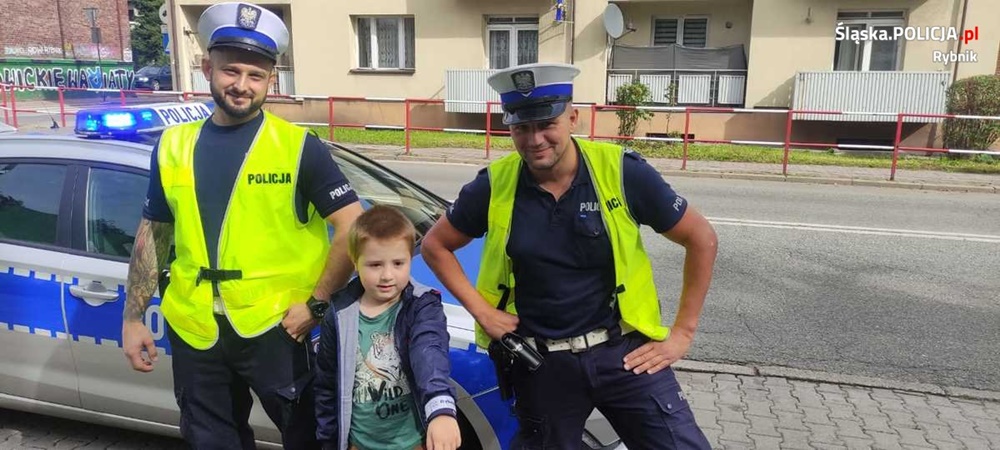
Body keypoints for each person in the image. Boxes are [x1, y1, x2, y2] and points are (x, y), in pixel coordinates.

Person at [419, 62, 719, 449]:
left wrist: (682, 333)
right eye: (521, 127)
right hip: (542, 365)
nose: (535, 139)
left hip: (625, 355)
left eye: (547, 124)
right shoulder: (493, 185)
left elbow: (701, 238)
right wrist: (483, 312)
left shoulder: (621, 172)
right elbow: (434, 245)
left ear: (573, 117)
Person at [120, 3, 364, 449]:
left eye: (256, 76)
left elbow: (354, 227)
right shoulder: (173, 146)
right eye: (231, 71)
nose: (242, 85)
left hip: (278, 331)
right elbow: (155, 231)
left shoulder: (298, 149)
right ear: (206, 67)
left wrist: (317, 305)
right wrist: (133, 317)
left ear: (272, 79)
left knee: (311, 439)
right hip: (196, 330)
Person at [314, 205, 461, 450]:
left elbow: (430, 352)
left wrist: (440, 407)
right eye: (375, 265)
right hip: (359, 445)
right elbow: (327, 386)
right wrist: (329, 442)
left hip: (414, 444)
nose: (387, 275)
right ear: (355, 261)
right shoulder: (338, 314)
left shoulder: (422, 307)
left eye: (398, 263)